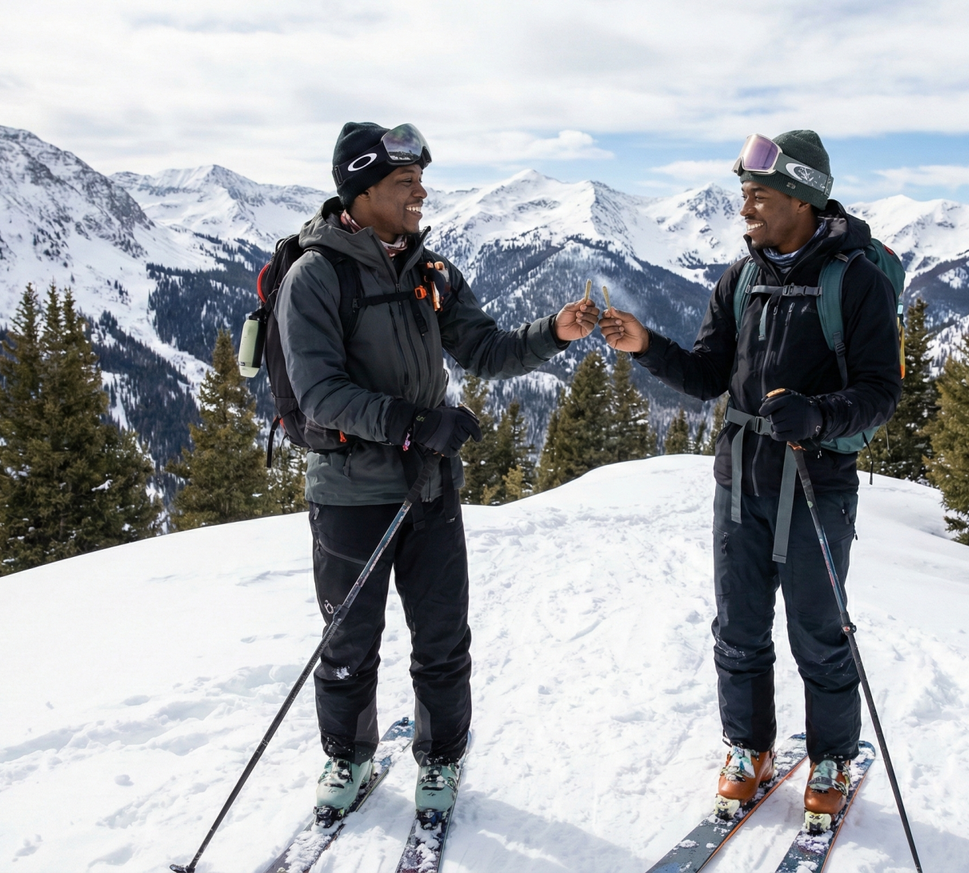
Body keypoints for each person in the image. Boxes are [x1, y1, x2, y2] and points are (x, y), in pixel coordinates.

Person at [276, 122, 599, 824]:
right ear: (361, 193)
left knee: (443, 636)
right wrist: (418, 424)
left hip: (428, 490)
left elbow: (484, 349)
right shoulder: (315, 276)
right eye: (405, 182)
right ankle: (348, 756)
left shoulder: (432, 270)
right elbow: (320, 394)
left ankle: (442, 756)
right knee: (347, 640)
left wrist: (554, 332)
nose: (422, 191)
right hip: (351, 494)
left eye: (421, 178)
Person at [599, 130, 901, 827]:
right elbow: (709, 375)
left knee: (819, 630)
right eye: (743, 197)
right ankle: (749, 749)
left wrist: (817, 416)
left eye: (757, 196)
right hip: (739, 478)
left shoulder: (854, 279)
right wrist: (647, 347)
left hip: (816, 483)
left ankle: (831, 757)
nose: (746, 211)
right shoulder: (741, 280)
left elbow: (881, 392)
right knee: (736, 627)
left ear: (801, 196)